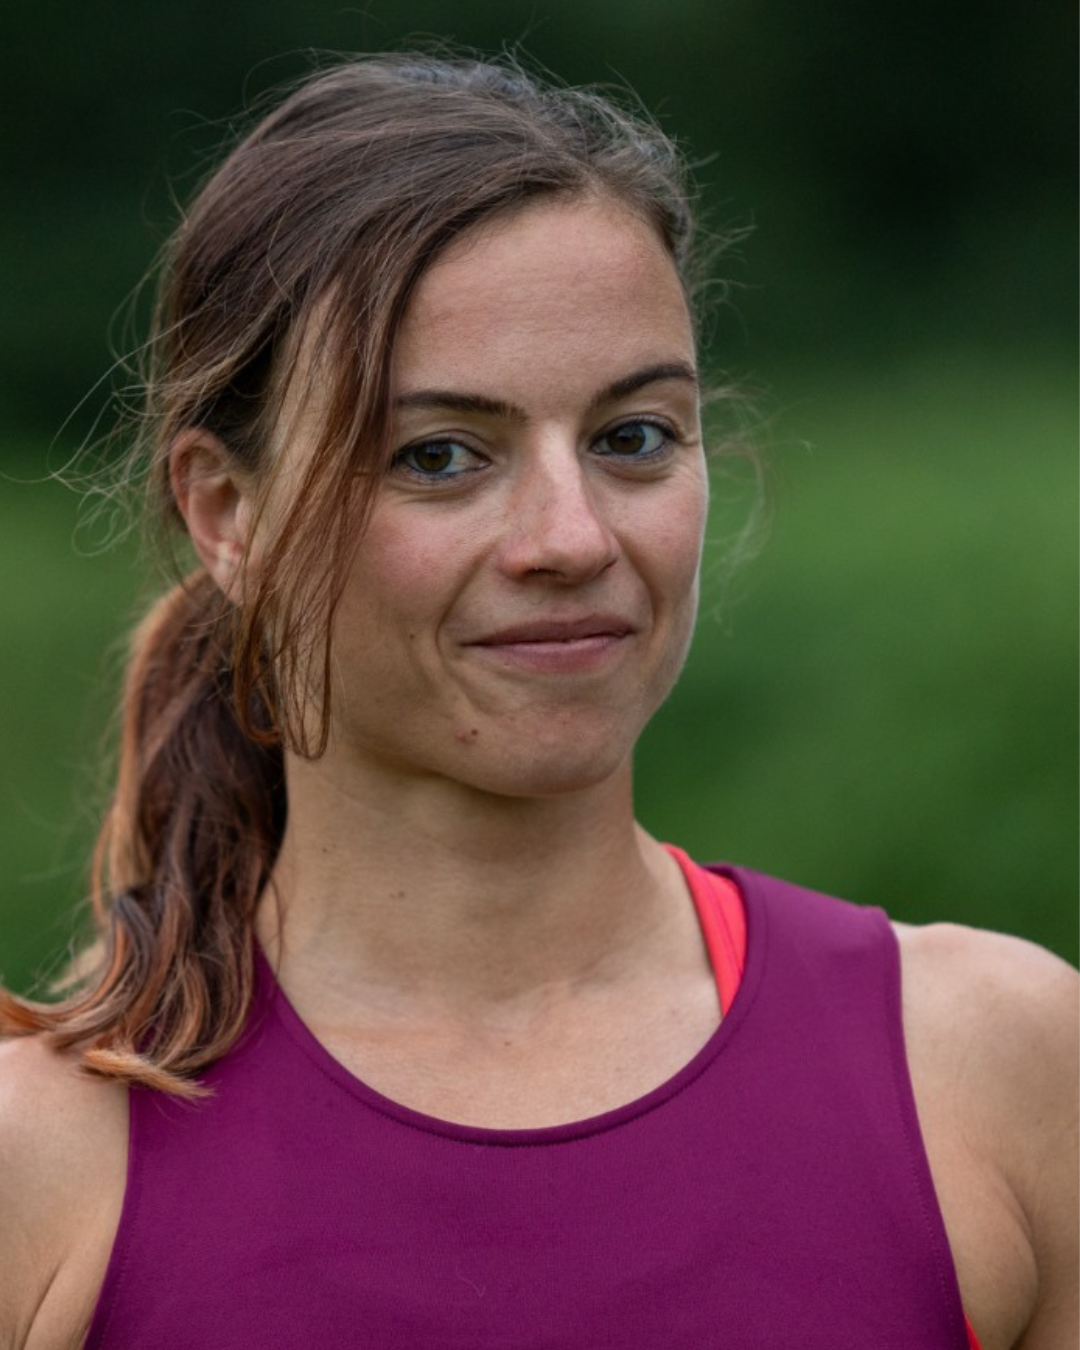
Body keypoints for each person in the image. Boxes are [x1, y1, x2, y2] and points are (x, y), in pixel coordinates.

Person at [0, 53, 1075, 1350]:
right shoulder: (42, 1167)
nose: (571, 537)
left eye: (634, 437)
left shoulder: (994, 1070)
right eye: (440, 456)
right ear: (228, 514)